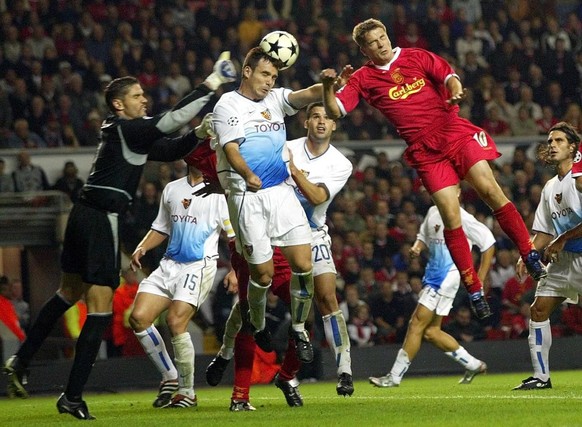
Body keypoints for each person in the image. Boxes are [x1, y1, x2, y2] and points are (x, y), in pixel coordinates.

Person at [2, 52, 236, 419]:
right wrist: (212, 84)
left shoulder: (124, 132)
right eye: (137, 96)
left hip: (82, 215)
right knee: (100, 309)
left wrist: (201, 132)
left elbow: (172, 147)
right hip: (101, 220)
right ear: (118, 104)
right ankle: (73, 396)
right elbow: (170, 120)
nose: (144, 99)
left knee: (68, 292)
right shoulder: (131, 128)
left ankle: (20, 360)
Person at [320, 18, 546, 321]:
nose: (381, 44)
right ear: (364, 51)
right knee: (451, 217)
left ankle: (529, 253)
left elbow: (450, 77)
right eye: (372, 43)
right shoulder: (362, 79)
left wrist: (455, 90)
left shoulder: (416, 56)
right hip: (425, 152)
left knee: (490, 190)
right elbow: (335, 110)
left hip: (452, 130)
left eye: (382, 37)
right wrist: (326, 87)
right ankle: (474, 288)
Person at [206, 102, 356, 402]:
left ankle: (339, 371)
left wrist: (291, 169)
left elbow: (316, 196)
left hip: (310, 234)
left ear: (335, 125)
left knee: (324, 300)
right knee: (248, 306)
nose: (321, 122)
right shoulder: (285, 144)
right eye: (315, 116)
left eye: (327, 118)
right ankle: (225, 354)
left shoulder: (341, 163)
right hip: (271, 233)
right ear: (306, 122)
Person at [212, 47, 328, 363]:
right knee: (261, 277)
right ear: (247, 71)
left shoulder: (275, 99)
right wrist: (248, 174)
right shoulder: (227, 105)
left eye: (274, 77)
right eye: (265, 74)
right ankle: (259, 323)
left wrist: (330, 85)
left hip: (279, 192)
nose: (269, 82)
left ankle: (300, 329)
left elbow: (308, 95)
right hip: (246, 196)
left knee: (304, 265)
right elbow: (232, 149)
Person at [129, 161, 234, 409]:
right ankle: (170, 376)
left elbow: (232, 236)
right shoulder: (172, 189)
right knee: (138, 318)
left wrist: (234, 270)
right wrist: (142, 246)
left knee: (175, 321)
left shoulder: (219, 193)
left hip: (199, 266)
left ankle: (187, 393)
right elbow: (161, 226)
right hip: (169, 264)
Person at [369, 199, 494, 387]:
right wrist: (417, 247)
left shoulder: (462, 217)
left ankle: (394, 377)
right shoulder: (432, 212)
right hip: (433, 276)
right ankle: (474, 364)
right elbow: (423, 236)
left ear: (457, 193)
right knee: (431, 332)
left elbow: (488, 242)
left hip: (446, 277)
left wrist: (480, 279)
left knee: (415, 323)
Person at [513, 122, 582, 391]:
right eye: (550, 141)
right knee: (538, 310)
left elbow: (556, 237)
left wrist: (562, 238)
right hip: (561, 261)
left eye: (559, 141)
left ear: (573, 147)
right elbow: (542, 232)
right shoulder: (550, 187)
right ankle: (541, 377)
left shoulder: (579, 181)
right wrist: (526, 254)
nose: (552, 145)